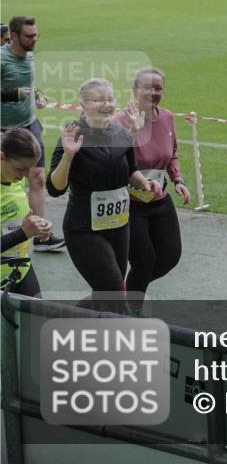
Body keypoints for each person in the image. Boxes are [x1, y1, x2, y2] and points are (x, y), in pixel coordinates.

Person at [46, 78, 160, 311]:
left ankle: (73, 324)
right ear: (84, 104)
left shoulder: (121, 133)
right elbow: (55, 188)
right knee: (115, 294)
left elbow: (130, 170)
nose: (107, 104)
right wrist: (68, 156)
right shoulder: (72, 136)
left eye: (110, 99)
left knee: (106, 293)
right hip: (84, 230)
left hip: (118, 227)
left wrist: (145, 182)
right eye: (99, 100)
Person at [111, 68, 190, 312]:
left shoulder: (166, 117)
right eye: (148, 87)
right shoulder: (119, 121)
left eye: (158, 88)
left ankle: (125, 292)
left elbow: (172, 154)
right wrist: (133, 132)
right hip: (129, 204)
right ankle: (131, 309)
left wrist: (178, 180)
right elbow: (112, 159)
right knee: (144, 261)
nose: (154, 93)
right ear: (135, 90)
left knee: (169, 256)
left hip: (159, 200)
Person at [0, 15, 63, 252]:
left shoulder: (29, 55)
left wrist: (38, 95)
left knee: (36, 177)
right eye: (29, 36)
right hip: (4, 130)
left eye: (36, 35)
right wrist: (15, 94)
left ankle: (41, 236)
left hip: (29, 124)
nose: (34, 39)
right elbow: (16, 89)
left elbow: (29, 83)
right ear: (14, 36)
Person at [1, 127, 54, 296]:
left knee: (38, 320)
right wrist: (23, 233)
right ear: (2, 157)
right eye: (21, 169)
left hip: (20, 269)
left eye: (30, 169)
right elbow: (21, 232)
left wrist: (39, 225)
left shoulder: (12, 177)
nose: (26, 175)